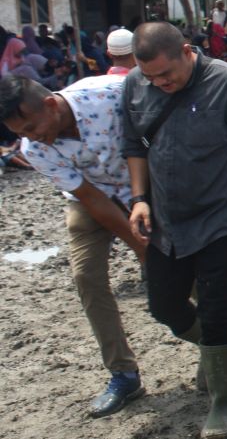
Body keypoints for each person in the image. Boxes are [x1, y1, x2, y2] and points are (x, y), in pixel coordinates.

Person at [121, 22, 227, 439]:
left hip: (220, 216)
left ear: (187, 51)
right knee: (164, 305)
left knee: (218, 305)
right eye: (151, 78)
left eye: (166, 75)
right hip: (165, 218)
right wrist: (139, 199)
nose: (159, 84)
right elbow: (133, 145)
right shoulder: (135, 85)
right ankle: (217, 350)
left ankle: (224, 399)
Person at [1, 74, 147, 417]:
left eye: (33, 127)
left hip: (145, 188)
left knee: (176, 265)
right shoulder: (34, 149)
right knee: (86, 277)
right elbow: (91, 198)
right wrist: (138, 246)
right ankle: (123, 374)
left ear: (51, 104)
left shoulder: (110, 96)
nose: (32, 138)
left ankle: (215, 343)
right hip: (91, 199)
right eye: (21, 134)